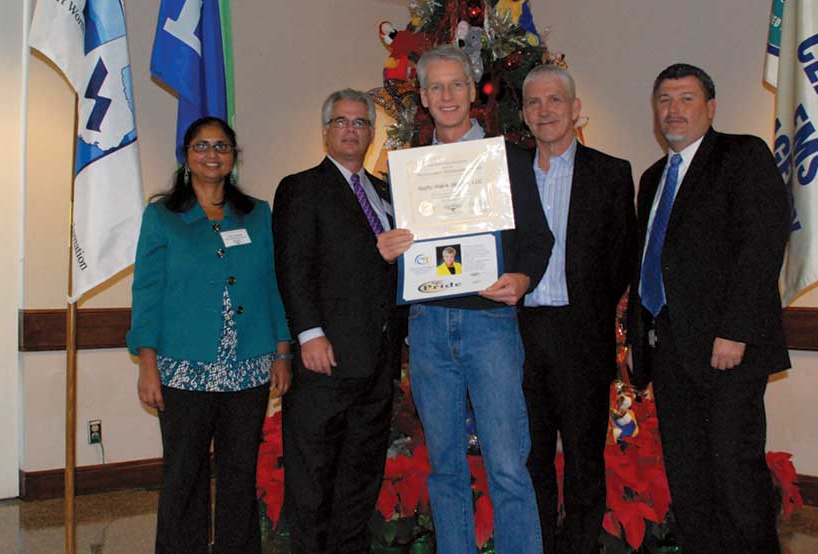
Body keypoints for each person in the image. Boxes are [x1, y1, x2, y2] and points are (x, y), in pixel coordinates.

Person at [377, 45, 553, 554]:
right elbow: (405, 248)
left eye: (457, 84)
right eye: (436, 87)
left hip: (491, 325)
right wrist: (389, 249)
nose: (447, 95)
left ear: (473, 92)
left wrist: (521, 278)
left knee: (506, 464)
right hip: (429, 323)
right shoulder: (407, 170)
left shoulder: (509, 161)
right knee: (446, 467)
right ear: (424, 98)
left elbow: (539, 240)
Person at [626, 63, 791, 554]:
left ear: (711, 108)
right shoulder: (653, 178)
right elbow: (648, 263)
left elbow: (761, 246)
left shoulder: (742, 156)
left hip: (727, 351)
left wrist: (735, 331)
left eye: (686, 99)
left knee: (735, 473)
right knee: (688, 474)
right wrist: (638, 342)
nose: (673, 110)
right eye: (664, 100)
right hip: (668, 351)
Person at [127, 116, 292, 554]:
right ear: (186, 156)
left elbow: (271, 283)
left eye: (221, 146)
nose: (212, 154)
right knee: (184, 474)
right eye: (202, 146)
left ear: (234, 157)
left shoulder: (256, 215)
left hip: (248, 369)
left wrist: (282, 352)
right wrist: (147, 362)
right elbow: (147, 291)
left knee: (240, 475)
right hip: (183, 369)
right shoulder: (162, 216)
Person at [272, 88, 406, 554]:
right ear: (326, 130)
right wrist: (309, 333)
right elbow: (293, 264)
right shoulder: (300, 187)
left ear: (372, 133)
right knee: (313, 478)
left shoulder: (386, 192)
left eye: (361, 122)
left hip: (377, 363)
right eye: (342, 121)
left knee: (360, 476)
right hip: (324, 359)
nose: (352, 130)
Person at [518, 64, 636, 554]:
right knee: (531, 459)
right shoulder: (508, 174)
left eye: (555, 101)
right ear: (524, 114)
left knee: (586, 461)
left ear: (575, 109)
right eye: (534, 103)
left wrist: (589, 311)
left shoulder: (611, 173)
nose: (545, 111)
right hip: (518, 335)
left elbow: (621, 257)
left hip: (580, 334)